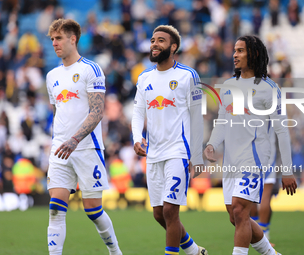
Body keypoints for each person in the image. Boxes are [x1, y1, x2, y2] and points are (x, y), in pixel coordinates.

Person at [204, 35, 297, 255]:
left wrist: (287, 170)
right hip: (231, 161)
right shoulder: (227, 86)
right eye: (234, 50)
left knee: (239, 209)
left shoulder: (269, 88)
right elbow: (222, 122)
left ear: (254, 54)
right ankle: (271, 253)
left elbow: (281, 130)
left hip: (254, 159)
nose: (234, 55)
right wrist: (212, 144)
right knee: (235, 216)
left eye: (240, 51)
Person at [46, 19, 122, 255]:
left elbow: (97, 111)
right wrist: (61, 140)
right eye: (52, 40)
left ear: (73, 38)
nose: (55, 44)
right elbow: (57, 111)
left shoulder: (91, 69)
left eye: (59, 38)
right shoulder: (52, 76)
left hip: (86, 148)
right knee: (56, 209)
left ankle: (115, 251)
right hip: (60, 149)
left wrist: (74, 139)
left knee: (93, 211)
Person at [131, 25, 207, 255]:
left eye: (161, 40)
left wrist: (196, 155)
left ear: (173, 47)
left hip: (178, 151)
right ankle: (193, 250)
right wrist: (137, 137)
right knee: (158, 213)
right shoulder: (144, 77)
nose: (154, 44)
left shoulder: (188, 75)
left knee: (170, 212)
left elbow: (196, 117)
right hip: (153, 153)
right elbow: (138, 112)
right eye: (153, 40)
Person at [250, 126, 278, 246]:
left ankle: (253, 232)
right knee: (265, 195)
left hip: (248, 153)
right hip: (267, 153)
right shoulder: (272, 107)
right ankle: (264, 235)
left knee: (249, 194)